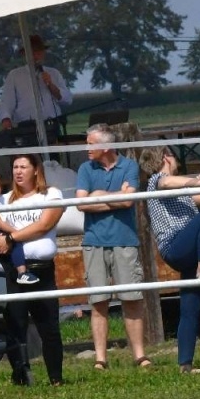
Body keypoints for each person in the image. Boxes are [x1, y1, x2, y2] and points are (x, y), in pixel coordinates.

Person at [139, 146, 200, 373]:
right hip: (176, 246)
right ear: (165, 158)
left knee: (190, 307)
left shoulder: (178, 188)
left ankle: (185, 364)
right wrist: (196, 182)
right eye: (173, 156)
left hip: (188, 247)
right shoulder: (157, 180)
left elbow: (199, 202)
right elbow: (167, 183)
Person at [0, 153, 66, 386]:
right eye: (14, 167)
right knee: (15, 323)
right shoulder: (1, 200)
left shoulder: (51, 194)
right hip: (12, 268)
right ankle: (21, 374)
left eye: (23, 166)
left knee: (49, 326)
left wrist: (11, 237)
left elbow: (44, 225)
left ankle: (56, 377)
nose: (18, 171)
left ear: (35, 170)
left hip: (41, 269)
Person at [76, 124, 150, 370]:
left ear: (105, 146)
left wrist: (97, 196)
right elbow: (81, 205)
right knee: (98, 302)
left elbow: (129, 200)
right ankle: (100, 358)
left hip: (125, 240)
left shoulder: (129, 166)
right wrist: (114, 198)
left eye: (90, 143)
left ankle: (139, 355)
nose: (86, 148)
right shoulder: (85, 168)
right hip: (93, 242)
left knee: (132, 299)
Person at [0, 34, 73, 133]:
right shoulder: (15, 75)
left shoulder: (54, 73)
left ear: (43, 53)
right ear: (25, 54)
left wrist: (51, 85)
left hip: (52, 125)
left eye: (39, 52)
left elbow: (67, 100)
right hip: (27, 127)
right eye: (32, 53)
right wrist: (6, 119)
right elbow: (6, 102)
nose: (36, 56)